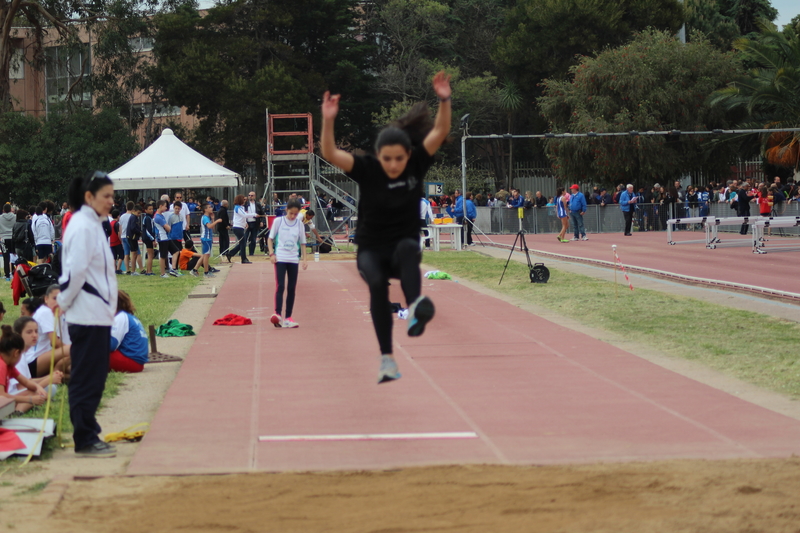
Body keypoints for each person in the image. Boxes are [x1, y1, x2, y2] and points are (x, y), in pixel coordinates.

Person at [321, 70, 450, 383]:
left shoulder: (417, 162)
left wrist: (444, 100)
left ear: (409, 155)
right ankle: (387, 359)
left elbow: (440, 130)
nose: (393, 165)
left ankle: (416, 305)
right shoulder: (367, 168)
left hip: (401, 245)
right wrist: (328, 120)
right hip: (371, 249)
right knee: (377, 285)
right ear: (379, 156)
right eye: (388, 159)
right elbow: (329, 153)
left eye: (399, 159)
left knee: (409, 247)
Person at [57, 171, 119, 458]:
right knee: (86, 378)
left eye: (112, 196)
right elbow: (74, 272)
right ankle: (84, 437)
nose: (111, 201)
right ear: (89, 197)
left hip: (97, 314)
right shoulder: (82, 226)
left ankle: (88, 432)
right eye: (106, 196)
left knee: (94, 377)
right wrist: (66, 303)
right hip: (86, 315)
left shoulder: (94, 224)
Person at [268, 199, 308, 328]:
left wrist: (305, 259)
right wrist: (271, 254)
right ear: (286, 210)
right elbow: (270, 239)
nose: (293, 216)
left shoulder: (299, 224)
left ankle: (288, 317)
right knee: (280, 286)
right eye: (291, 213)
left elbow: (303, 243)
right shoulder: (278, 221)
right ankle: (277, 314)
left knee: (292, 288)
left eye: (295, 214)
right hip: (280, 258)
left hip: (293, 259)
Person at [8, 317, 63, 407]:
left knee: (51, 388)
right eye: (29, 332)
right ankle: (20, 410)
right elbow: (23, 389)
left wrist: (50, 376)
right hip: (10, 399)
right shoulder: (17, 356)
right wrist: (47, 380)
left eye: (36, 331)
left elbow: (28, 381)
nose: (34, 335)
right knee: (46, 388)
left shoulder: (22, 354)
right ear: (18, 335)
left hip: (17, 395)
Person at [0, 325, 50, 414]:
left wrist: (38, 387)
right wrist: (30, 399)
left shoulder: (8, 365)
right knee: (33, 394)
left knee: (34, 390)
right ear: (16, 353)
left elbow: (26, 382)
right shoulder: (1, 366)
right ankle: (18, 410)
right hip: (2, 400)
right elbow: (2, 396)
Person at [31, 284, 71, 377]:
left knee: (71, 357)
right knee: (74, 349)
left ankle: (59, 375)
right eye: (55, 298)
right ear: (46, 299)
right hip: (33, 361)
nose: (58, 302)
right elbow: (55, 343)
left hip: (45, 358)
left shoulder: (60, 314)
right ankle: (54, 375)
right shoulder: (46, 312)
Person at [109, 291, 149, 373]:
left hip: (129, 361)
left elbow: (110, 345)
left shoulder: (120, 318)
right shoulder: (129, 317)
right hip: (135, 362)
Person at [154, 200, 180, 278]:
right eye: (165, 206)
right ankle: (162, 273)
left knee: (176, 251)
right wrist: (169, 227)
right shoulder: (158, 217)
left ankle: (173, 269)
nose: (166, 208)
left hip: (167, 237)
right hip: (162, 238)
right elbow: (168, 228)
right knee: (163, 256)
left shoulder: (161, 215)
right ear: (160, 206)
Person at [224, 195, 252, 264]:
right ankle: (243, 258)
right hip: (238, 227)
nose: (245, 201)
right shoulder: (238, 208)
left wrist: (245, 222)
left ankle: (230, 253)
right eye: (243, 200)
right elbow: (245, 215)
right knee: (243, 243)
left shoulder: (241, 207)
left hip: (240, 227)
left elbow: (242, 217)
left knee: (243, 242)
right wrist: (254, 214)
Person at [200, 203, 221, 276]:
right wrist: (216, 221)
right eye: (209, 207)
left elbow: (212, 228)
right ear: (205, 209)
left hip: (208, 238)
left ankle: (196, 270)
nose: (211, 208)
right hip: (206, 238)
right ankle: (206, 272)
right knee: (206, 255)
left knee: (206, 255)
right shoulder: (205, 217)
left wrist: (212, 219)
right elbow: (209, 226)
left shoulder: (208, 217)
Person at [125, 204, 142, 276]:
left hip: (133, 237)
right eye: (138, 213)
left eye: (140, 213)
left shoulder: (134, 217)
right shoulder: (133, 218)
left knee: (134, 254)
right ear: (134, 211)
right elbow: (133, 228)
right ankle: (133, 271)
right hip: (132, 237)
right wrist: (140, 232)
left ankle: (133, 270)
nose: (139, 214)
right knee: (134, 254)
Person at [1, 203, 16, 281]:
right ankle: (14, 272)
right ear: (11, 209)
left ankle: (7, 274)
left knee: (6, 257)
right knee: (14, 255)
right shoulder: (15, 217)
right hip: (13, 238)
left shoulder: (0, 218)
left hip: (3, 238)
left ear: (3, 210)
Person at [141, 203, 156, 276]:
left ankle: (148, 269)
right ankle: (149, 271)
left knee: (151, 254)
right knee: (150, 254)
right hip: (148, 238)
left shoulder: (149, 218)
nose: (151, 210)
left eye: (152, 209)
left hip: (148, 237)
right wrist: (153, 239)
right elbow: (148, 230)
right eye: (149, 209)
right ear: (146, 210)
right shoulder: (147, 218)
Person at [119, 202, 133, 274]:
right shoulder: (132, 216)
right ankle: (138, 268)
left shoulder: (122, 216)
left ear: (126, 208)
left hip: (123, 236)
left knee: (126, 254)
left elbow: (120, 227)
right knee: (135, 253)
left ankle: (127, 269)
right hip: (130, 236)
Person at [109, 209, 124, 273]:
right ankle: (118, 269)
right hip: (117, 241)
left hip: (111, 241)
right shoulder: (117, 223)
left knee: (114, 256)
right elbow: (119, 233)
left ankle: (114, 269)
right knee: (121, 255)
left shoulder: (110, 223)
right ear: (118, 216)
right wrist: (121, 241)